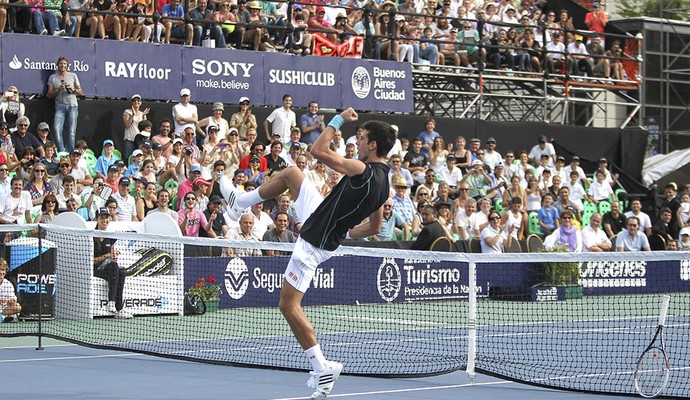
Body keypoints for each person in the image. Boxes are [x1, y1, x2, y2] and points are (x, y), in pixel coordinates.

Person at [222, 108, 394, 399]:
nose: (359, 142)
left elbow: (317, 149)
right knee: (291, 173)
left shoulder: (362, 169)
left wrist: (338, 119)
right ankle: (240, 202)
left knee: (288, 306)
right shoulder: (385, 185)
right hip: (323, 221)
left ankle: (321, 366)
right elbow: (375, 225)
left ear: (372, 145)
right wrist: (344, 230)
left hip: (314, 242)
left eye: (362, 138)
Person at [93, 208, 133, 319]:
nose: (105, 220)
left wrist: (114, 255)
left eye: (106, 217)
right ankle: (112, 301)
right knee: (114, 267)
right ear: (96, 219)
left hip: (108, 269)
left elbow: (112, 256)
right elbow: (90, 260)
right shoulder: (91, 236)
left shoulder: (110, 237)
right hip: (94, 269)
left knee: (122, 272)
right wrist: (106, 256)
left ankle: (119, 308)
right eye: (102, 218)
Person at [46, 56, 82, 153]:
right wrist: (58, 90)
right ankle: (62, 153)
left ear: (67, 65)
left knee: (71, 133)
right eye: (61, 63)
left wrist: (73, 89)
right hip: (59, 107)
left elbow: (81, 92)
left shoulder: (73, 76)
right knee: (57, 130)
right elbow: (49, 95)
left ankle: (70, 153)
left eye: (65, 64)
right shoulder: (52, 78)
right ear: (57, 65)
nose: (63, 65)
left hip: (72, 106)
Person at [122, 94, 150, 162]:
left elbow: (144, 127)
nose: (136, 102)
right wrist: (132, 116)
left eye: (138, 100)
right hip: (129, 139)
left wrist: (144, 116)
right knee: (128, 157)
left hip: (139, 140)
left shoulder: (141, 113)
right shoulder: (127, 112)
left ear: (141, 102)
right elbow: (127, 125)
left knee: (139, 158)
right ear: (132, 102)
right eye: (134, 101)